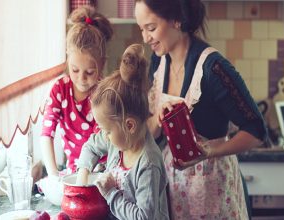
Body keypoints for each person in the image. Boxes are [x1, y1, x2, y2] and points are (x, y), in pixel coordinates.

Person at [135, 0, 267, 219]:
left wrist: (209, 152)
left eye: (151, 28)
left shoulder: (213, 68)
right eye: (142, 29)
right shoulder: (159, 62)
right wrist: (158, 120)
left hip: (212, 187)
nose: (145, 37)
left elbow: (256, 131)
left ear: (176, 20)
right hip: (174, 186)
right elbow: (151, 131)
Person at [76, 44, 169, 220]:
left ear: (129, 126)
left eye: (107, 130)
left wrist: (111, 193)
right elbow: (90, 146)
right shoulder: (119, 141)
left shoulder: (148, 164)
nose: (104, 135)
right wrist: (83, 173)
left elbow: (143, 217)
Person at [41, 6, 113, 177]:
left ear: (102, 64)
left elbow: (101, 140)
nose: (81, 79)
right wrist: (52, 175)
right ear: (67, 59)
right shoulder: (59, 90)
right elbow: (46, 134)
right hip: (73, 172)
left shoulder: (104, 92)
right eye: (74, 70)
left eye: (89, 72)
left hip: (103, 171)